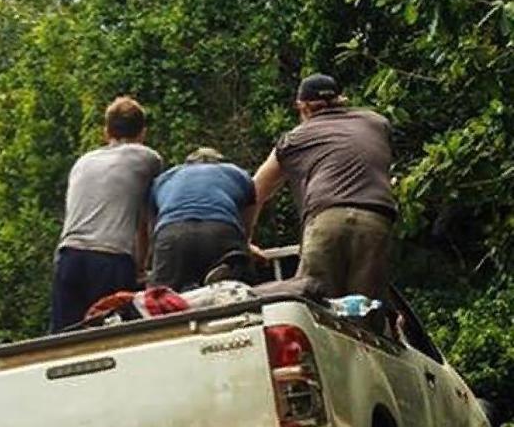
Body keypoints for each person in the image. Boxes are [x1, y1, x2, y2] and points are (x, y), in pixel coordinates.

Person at [250, 73, 395, 299]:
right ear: (342, 99)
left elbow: (255, 192)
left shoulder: (295, 138)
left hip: (326, 219)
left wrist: (245, 242)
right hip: (375, 219)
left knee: (317, 303)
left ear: (303, 107)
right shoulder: (377, 123)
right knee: (367, 309)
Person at [51, 96, 162, 332]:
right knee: (113, 337)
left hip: (68, 256)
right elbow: (147, 220)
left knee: (65, 339)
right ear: (143, 133)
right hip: (110, 259)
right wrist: (142, 267)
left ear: (105, 131)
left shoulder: (83, 162)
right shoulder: (149, 159)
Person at [148, 148, 256, 291]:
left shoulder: (165, 178)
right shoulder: (236, 173)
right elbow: (246, 225)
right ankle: (224, 275)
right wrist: (246, 247)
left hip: (172, 233)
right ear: (219, 162)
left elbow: (152, 227)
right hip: (220, 229)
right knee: (241, 290)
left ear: (187, 164)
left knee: (160, 298)